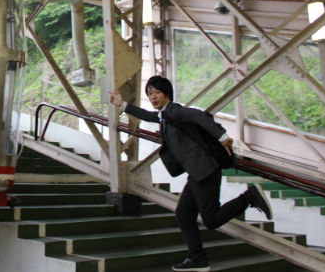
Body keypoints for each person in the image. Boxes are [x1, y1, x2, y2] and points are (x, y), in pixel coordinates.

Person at [109, 75, 273, 272]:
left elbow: (198, 116)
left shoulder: (175, 111)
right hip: (196, 173)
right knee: (184, 214)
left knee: (211, 219)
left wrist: (222, 136)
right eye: (150, 93)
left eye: (157, 92)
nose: (153, 97)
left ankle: (249, 197)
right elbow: (148, 115)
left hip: (205, 170)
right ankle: (198, 259)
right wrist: (123, 105)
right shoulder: (164, 115)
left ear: (167, 94)